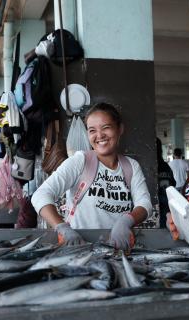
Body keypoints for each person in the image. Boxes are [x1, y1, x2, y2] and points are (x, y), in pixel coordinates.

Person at [31, 102, 152, 250]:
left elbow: (145, 204)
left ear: (120, 129)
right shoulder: (80, 161)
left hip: (116, 248)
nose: (99, 135)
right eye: (92, 130)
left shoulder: (131, 166)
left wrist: (126, 221)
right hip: (79, 247)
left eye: (106, 128)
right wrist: (62, 227)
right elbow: (41, 195)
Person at [156, 138, 176, 228]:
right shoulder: (166, 166)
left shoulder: (145, 166)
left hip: (157, 208)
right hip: (168, 207)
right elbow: (173, 184)